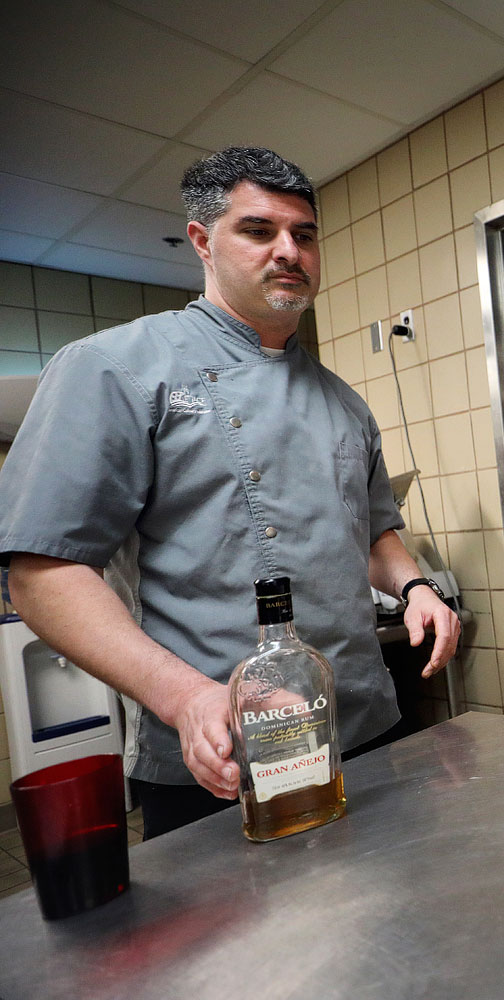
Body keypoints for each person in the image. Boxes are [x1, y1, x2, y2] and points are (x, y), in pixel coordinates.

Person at [0, 147, 462, 837]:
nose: (288, 251)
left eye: (303, 235)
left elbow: (372, 534)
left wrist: (416, 588)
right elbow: (42, 573)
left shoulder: (344, 403)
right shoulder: (116, 368)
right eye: (258, 230)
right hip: (221, 754)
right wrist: (183, 697)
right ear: (202, 242)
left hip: (364, 729)